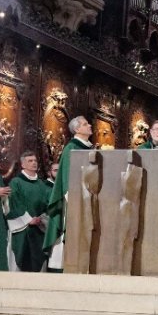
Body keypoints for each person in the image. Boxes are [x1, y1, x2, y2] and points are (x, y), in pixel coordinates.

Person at [42, 116, 95, 271]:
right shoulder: (72, 148)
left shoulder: (87, 147)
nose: (90, 125)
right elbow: (67, 175)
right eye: (86, 124)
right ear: (77, 129)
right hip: (74, 198)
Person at [7, 151, 49, 272]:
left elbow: (47, 204)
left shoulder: (41, 184)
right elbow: (14, 202)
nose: (34, 163)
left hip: (39, 228)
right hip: (22, 228)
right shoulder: (16, 182)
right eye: (30, 161)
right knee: (22, 262)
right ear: (23, 165)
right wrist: (28, 219)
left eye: (35, 160)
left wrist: (42, 218)